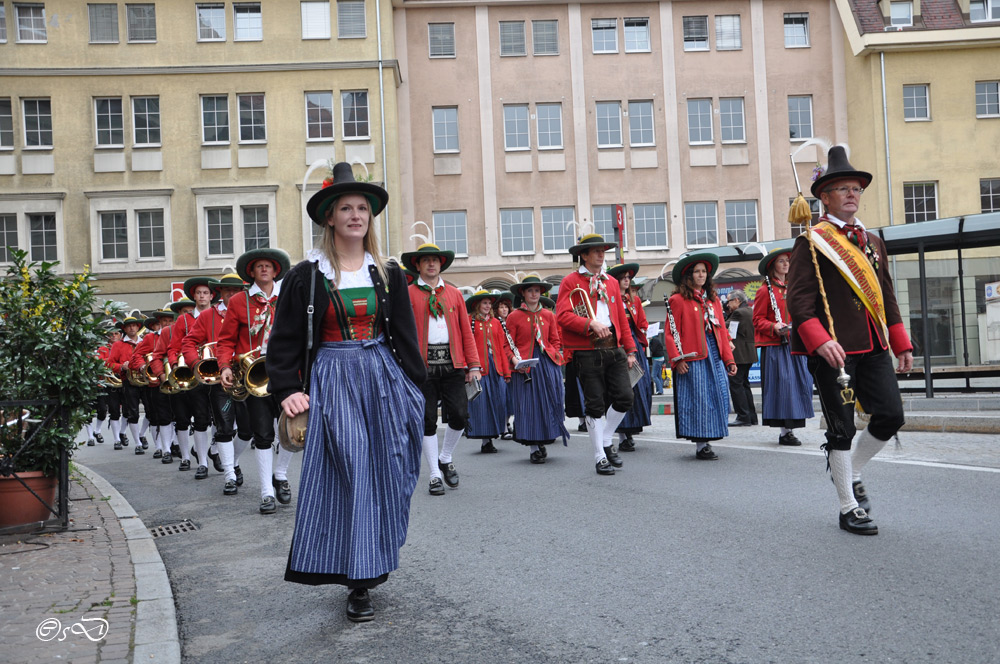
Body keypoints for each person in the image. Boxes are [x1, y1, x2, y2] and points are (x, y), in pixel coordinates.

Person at [267, 161, 425, 623]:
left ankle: (374, 556)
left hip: (382, 377)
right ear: (329, 218)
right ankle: (359, 582)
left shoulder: (388, 274)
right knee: (353, 471)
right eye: (346, 208)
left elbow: (406, 339)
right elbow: (285, 342)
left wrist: (419, 396)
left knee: (390, 473)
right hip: (333, 379)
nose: (356, 215)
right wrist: (287, 390)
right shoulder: (305, 276)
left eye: (362, 208)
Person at [786, 145, 912, 536]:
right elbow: (799, 300)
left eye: (856, 188)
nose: (852, 194)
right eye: (843, 188)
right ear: (824, 197)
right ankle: (847, 506)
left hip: (873, 345)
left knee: (891, 414)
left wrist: (900, 340)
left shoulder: (872, 242)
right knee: (841, 429)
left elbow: (886, 294)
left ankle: (853, 470)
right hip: (834, 348)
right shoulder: (812, 241)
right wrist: (818, 340)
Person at [217, 247, 294, 514]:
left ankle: (280, 475)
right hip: (254, 373)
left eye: (268, 266)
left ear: (276, 271)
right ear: (251, 272)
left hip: (286, 370)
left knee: (293, 428)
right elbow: (226, 340)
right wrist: (225, 365)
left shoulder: (288, 296)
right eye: (259, 266)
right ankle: (266, 492)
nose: (264, 269)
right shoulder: (239, 301)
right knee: (263, 434)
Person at [555, 234, 637, 476]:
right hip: (587, 351)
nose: (601, 254)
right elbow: (562, 316)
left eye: (603, 250)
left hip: (614, 348)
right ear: (584, 255)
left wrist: (630, 349)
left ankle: (606, 438)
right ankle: (600, 456)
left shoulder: (611, 281)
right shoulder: (571, 281)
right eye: (596, 251)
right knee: (595, 405)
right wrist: (590, 323)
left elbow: (621, 319)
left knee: (625, 397)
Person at [404, 242, 481, 495]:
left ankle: (445, 458)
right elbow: (402, 334)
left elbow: (466, 332)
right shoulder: (408, 294)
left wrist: (474, 365)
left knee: (460, 415)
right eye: (425, 260)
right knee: (426, 420)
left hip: (453, 364)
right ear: (417, 265)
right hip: (422, 367)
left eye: (435, 260)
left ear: (441, 264)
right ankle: (435, 475)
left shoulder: (455, 294)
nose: (431, 264)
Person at [182, 273, 255, 496]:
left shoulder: (251, 312)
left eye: (235, 290)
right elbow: (188, 342)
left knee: (247, 430)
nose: (231, 294)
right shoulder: (206, 317)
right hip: (219, 380)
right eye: (226, 291)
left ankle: (232, 461)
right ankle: (229, 476)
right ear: (220, 293)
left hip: (247, 378)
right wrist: (198, 364)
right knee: (224, 428)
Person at [664, 254, 738, 460]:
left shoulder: (713, 300)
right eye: (697, 271)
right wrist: (677, 359)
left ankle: (711, 436)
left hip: (714, 352)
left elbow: (722, 330)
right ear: (689, 276)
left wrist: (729, 359)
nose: (701, 275)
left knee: (719, 394)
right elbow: (671, 333)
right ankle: (701, 445)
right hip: (693, 356)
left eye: (704, 271)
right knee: (699, 399)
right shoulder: (677, 300)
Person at [505, 276, 568, 464]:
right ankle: (534, 447)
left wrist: (554, 353)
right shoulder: (514, 316)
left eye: (537, 291)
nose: (534, 294)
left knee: (549, 402)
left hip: (547, 362)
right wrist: (516, 360)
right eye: (530, 290)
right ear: (523, 293)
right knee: (529, 405)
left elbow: (556, 340)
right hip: (525, 365)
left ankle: (545, 438)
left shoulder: (549, 315)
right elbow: (507, 344)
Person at [753, 250, 814, 445]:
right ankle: (784, 431)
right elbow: (757, 320)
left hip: (796, 343)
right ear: (773, 266)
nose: (786, 264)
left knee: (799, 384)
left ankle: (792, 427)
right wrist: (773, 326)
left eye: (788, 261)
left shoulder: (794, 286)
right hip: (777, 345)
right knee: (784, 386)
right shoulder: (765, 290)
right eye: (781, 261)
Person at [607, 264, 651, 452]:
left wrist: (643, 331)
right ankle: (623, 434)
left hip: (635, 346)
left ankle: (632, 429)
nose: (627, 280)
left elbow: (642, 323)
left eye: (628, 277)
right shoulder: (610, 301)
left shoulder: (635, 301)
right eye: (623, 277)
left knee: (641, 387)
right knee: (622, 388)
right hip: (618, 346)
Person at [464, 290, 511, 454]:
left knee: (498, 402)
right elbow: (465, 347)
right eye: (484, 303)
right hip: (479, 368)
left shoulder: (497, 323)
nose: (488, 306)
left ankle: (497, 432)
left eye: (490, 303)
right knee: (482, 404)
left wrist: (507, 372)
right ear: (477, 305)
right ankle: (486, 441)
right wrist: (467, 368)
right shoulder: (470, 321)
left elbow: (502, 348)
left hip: (496, 367)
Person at [107, 314, 144, 450]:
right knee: (132, 412)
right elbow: (109, 363)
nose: (132, 328)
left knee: (153, 412)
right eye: (128, 326)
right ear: (125, 329)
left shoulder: (144, 341)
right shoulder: (118, 345)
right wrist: (121, 366)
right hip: (129, 381)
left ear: (138, 327)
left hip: (146, 380)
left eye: (134, 325)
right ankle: (138, 443)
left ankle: (142, 434)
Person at [725, 289, 758, 427]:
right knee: (745, 384)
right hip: (749, 353)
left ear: (737, 300)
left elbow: (726, 328)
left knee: (736, 385)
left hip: (739, 354)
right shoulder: (750, 311)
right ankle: (751, 417)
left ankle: (743, 416)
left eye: (729, 301)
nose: (727, 305)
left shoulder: (739, 313)